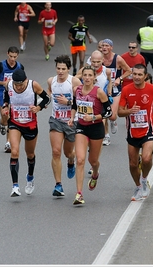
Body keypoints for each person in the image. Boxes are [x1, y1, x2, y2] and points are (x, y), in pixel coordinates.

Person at [118, 64, 153, 201]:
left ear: (145, 76)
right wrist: (129, 111)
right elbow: (119, 112)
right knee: (133, 164)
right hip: (132, 131)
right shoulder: (126, 90)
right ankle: (138, 186)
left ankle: (144, 179)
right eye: (134, 74)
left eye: (140, 74)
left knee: (146, 158)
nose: (136, 77)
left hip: (149, 130)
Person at [2, 68, 51, 197]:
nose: (18, 87)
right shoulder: (9, 85)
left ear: (25, 81)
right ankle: (15, 186)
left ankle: (30, 177)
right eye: (16, 85)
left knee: (30, 154)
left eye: (21, 85)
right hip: (15, 123)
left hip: (30, 124)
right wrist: (5, 106)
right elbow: (6, 97)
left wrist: (38, 107)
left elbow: (47, 98)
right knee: (14, 151)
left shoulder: (33, 85)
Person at [68, 66, 113, 205]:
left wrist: (94, 117)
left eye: (90, 75)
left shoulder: (99, 92)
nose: (87, 78)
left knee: (92, 161)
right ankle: (79, 194)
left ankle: (95, 174)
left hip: (96, 128)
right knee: (80, 160)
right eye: (85, 75)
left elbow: (109, 112)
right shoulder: (77, 90)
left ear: (94, 78)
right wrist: (72, 117)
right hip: (81, 127)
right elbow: (75, 105)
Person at [47, 55, 82, 197]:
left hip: (71, 121)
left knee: (68, 152)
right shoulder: (51, 81)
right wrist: (47, 100)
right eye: (58, 69)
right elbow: (49, 92)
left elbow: (82, 100)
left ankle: (71, 160)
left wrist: (67, 102)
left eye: (63, 69)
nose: (60, 72)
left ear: (68, 69)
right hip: (56, 120)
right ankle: (58, 185)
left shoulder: (74, 81)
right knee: (56, 152)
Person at [0, 46, 24, 153]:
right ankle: (2, 122)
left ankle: (8, 143)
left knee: (10, 117)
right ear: (7, 54)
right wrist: (3, 83)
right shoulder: (1, 66)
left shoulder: (20, 67)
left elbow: (24, 80)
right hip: (2, 93)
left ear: (17, 56)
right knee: (5, 116)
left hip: (14, 94)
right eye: (11, 56)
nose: (12, 59)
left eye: (14, 57)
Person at [101, 38, 132, 145]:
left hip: (115, 89)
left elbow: (129, 70)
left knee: (112, 115)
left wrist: (120, 79)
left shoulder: (117, 59)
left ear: (111, 47)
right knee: (104, 112)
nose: (104, 48)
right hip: (102, 89)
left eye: (107, 46)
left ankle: (113, 121)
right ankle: (106, 136)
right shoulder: (98, 59)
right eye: (103, 46)